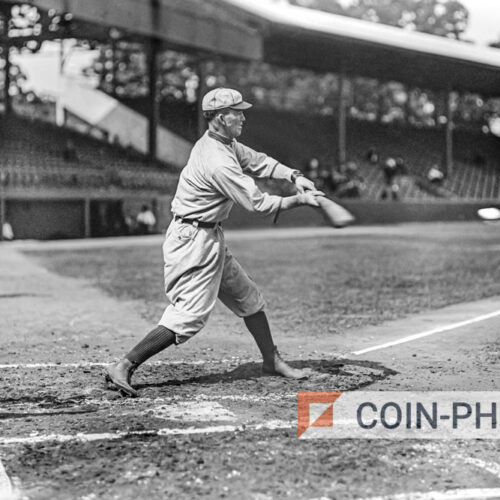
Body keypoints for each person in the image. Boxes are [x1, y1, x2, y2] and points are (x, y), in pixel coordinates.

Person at [105, 88, 323, 397]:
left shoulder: (225, 143)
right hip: (192, 241)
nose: (244, 116)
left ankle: (271, 361)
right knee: (189, 316)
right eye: (238, 112)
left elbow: (258, 162)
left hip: (208, 236)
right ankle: (124, 365)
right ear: (220, 118)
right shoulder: (217, 160)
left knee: (248, 297)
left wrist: (294, 176)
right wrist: (300, 200)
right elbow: (258, 204)